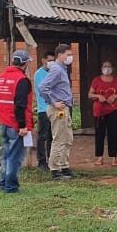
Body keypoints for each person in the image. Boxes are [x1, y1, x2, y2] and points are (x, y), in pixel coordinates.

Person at [0, 49, 34, 193]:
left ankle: (3, 183)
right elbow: (20, 105)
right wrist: (23, 126)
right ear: (24, 64)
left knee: (6, 155)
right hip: (16, 125)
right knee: (15, 157)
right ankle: (11, 186)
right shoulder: (22, 80)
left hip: (4, 123)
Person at [40, 44, 75, 180]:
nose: (70, 57)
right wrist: (54, 102)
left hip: (64, 108)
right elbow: (43, 87)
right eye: (68, 55)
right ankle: (55, 169)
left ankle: (64, 166)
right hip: (58, 109)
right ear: (60, 55)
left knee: (67, 138)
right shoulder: (56, 69)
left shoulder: (62, 69)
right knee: (59, 138)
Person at [88, 61, 117, 166]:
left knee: (113, 133)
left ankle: (114, 158)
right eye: (105, 66)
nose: (107, 68)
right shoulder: (96, 80)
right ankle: (99, 157)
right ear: (101, 68)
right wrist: (98, 96)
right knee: (99, 134)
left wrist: (115, 96)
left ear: (112, 68)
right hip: (99, 111)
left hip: (113, 110)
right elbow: (89, 94)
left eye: (109, 66)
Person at [33, 51, 57, 172]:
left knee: (52, 136)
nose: (51, 63)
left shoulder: (54, 72)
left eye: (53, 60)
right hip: (43, 109)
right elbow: (44, 90)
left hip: (54, 108)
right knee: (42, 136)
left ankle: (51, 159)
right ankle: (41, 161)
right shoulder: (39, 74)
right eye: (49, 60)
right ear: (43, 60)